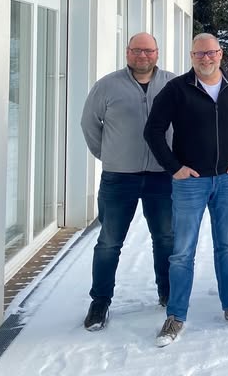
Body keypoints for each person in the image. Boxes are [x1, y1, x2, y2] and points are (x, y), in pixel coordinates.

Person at [144, 33, 228, 347]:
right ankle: (176, 315)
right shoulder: (177, 89)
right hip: (190, 182)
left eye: (211, 53)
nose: (206, 58)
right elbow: (153, 131)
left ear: (220, 54)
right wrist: (174, 167)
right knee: (182, 252)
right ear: (191, 56)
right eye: (199, 54)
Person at [80, 33, 176, 331]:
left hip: (162, 175)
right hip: (119, 177)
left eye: (148, 50)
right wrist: (109, 154)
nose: (142, 55)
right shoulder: (107, 86)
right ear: (127, 52)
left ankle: (167, 292)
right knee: (109, 242)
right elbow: (89, 124)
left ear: (157, 53)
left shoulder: (173, 84)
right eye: (137, 50)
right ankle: (100, 301)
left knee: (165, 238)